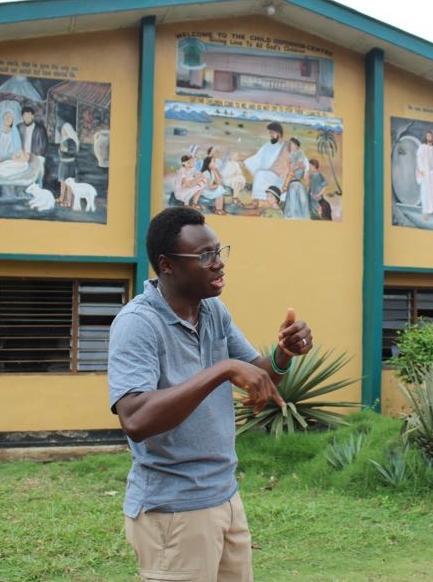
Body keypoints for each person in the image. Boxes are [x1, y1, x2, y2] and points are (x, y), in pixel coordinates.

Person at [108, 207, 314, 581]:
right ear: (167, 265)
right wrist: (220, 370)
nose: (219, 263)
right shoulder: (138, 324)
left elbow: (257, 374)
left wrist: (284, 353)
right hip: (173, 510)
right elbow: (135, 419)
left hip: (225, 497)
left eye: (219, 251)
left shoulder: (213, 311)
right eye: (205, 256)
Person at [243, 121, 290, 209]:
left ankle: (259, 202)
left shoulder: (287, 146)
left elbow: (294, 160)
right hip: (270, 172)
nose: (270, 135)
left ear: (278, 133)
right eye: (270, 133)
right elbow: (258, 157)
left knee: (260, 174)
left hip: (281, 174)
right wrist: (246, 162)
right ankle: (255, 201)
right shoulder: (267, 145)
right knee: (259, 173)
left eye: (272, 133)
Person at [281, 137, 310, 220]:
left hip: (294, 183)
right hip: (297, 183)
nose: (290, 146)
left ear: (296, 146)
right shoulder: (293, 155)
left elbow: (294, 170)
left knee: (294, 205)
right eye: (289, 144)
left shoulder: (299, 154)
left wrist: (285, 185)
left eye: (292, 144)